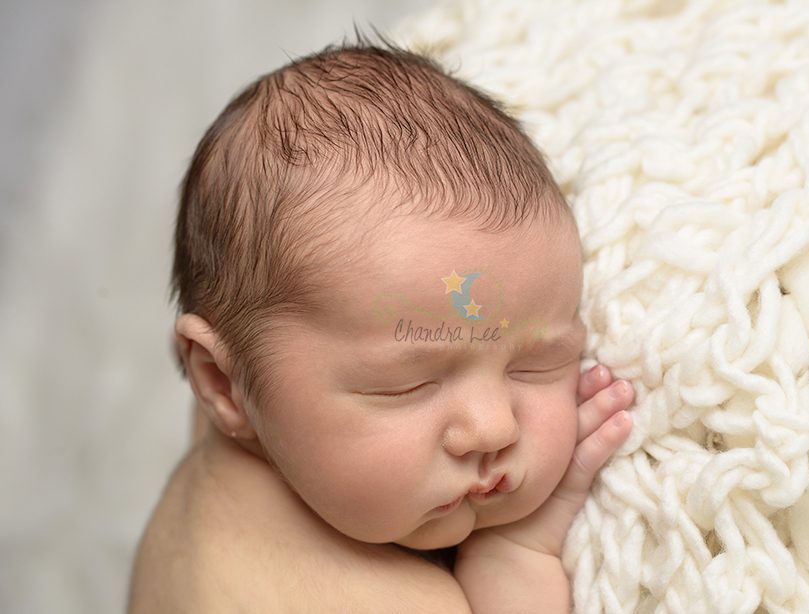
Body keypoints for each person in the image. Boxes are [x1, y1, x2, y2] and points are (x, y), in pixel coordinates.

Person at [128, 40, 635, 613]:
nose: (494, 428)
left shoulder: (232, 435)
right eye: (407, 386)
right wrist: (519, 550)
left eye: (534, 365)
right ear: (224, 382)